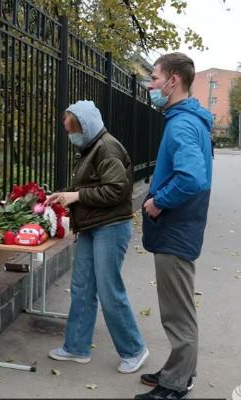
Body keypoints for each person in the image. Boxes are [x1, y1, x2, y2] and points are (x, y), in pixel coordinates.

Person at [44, 100, 148, 374]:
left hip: (111, 227)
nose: (70, 135)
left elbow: (117, 191)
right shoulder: (92, 147)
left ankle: (134, 349)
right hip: (93, 225)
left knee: (108, 290)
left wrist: (76, 196)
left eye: (72, 129)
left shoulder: (107, 147)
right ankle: (76, 347)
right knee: (82, 288)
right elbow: (91, 185)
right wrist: (63, 194)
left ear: (85, 126)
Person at [137, 52, 213, 400]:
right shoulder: (188, 119)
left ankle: (175, 385)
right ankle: (178, 372)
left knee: (177, 314)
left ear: (173, 81)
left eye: (154, 78)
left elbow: (192, 178)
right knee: (178, 309)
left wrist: (158, 201)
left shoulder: (182, 123)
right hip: (181, 228)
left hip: (175, 228)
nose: (150, 85)